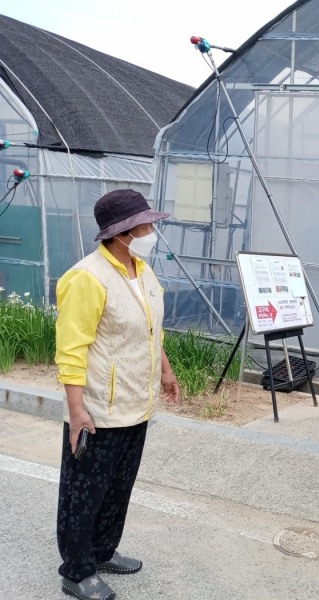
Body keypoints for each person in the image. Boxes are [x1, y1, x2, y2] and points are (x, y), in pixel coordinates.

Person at [55, 189, 180, 600]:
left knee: (118, 485)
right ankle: (76, 570)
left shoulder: (142, 269)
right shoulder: (87, 278)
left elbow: (150, 326)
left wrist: (165, 370)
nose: (151, 231)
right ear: (122, 232)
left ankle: (102, 551)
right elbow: (71, 351)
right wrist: (77, 413)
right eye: (145, 225)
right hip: (97, 410)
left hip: (136, 403)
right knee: (84, 491)